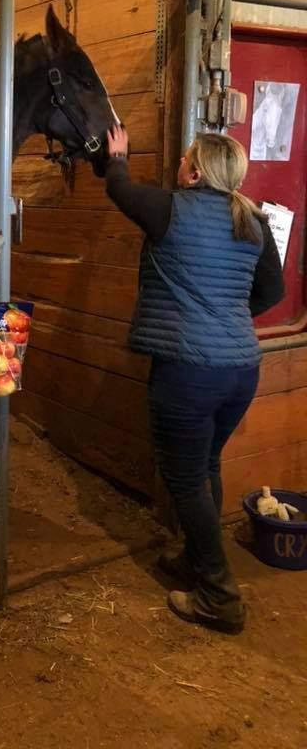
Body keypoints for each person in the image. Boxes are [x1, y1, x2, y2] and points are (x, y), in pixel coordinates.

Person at [103, 126, 284, 634]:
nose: (178, 166)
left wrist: (117, 156)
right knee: (205, 465)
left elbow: (119, 190)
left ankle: (218, 596)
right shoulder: (254, 220)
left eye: (184, 159)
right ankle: (193, 559)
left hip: (188, 372)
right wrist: (224, 318)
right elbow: (272, 292)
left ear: (197, 171)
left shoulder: (171, 209)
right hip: (240, 370)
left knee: (185, 480)